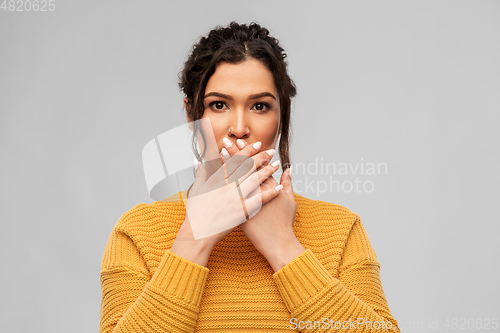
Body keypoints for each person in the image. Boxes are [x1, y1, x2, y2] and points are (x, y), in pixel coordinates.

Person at [99, 21, 400, 332]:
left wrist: (284, 246)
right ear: (191, 115)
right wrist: (195, 236)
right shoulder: (137, 233)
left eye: (259, 106)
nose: (239, 127)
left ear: (282, 116)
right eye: (218, 105)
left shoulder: (340, 230)